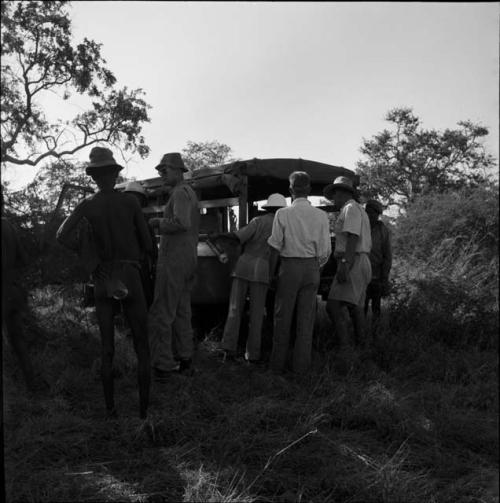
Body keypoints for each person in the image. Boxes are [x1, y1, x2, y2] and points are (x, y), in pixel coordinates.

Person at [57, 146, 153, 419]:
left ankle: (111, 412)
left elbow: (61, 236)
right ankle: (143, 413)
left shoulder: (88, 205)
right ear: (114, 174)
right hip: (131, 274)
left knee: (107, 347)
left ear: (93, 177)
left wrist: (90, 258)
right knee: (142, 346)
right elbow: (147, 244)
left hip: (103, 277)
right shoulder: (131, 203)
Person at [209, 193, 287, 364]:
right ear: (281, 209)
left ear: (268, 207)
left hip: (243, 267)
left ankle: (228, 349)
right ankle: (252, 355)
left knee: (235, 309)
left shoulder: (258, 221)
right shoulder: (283, 224)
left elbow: (238, 237)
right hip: (263, 270)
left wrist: (219, 235)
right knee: (257, 314)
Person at [267, 171, 331, 374]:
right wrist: (315, 266)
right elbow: (325, 251)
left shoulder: (282, 214)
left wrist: (271, 274)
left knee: (282, 317)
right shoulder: (321, 216)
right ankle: (301, 369)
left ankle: (276, 368)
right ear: (310, 190)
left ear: (290, 190)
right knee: (306, 320)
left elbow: (275, 247)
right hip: (312, 268)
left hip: (289, 267)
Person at [147, 152, 199, 380]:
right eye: (159, 170)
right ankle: (185, 359)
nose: (161, 174)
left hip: (174, 261)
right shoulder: (188, 193)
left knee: (162, 312)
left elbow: (182, 223)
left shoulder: (179, 193)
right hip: (187, 260)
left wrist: (157, 222)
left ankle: (163, 364)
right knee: (181, 312)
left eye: (165, 170)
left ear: (179, 171)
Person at [323, 176, 372, 349]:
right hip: (361, 260)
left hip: (353, 261)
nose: (333, 199)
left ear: (341, 192)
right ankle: (362, 345)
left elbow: (352, 237)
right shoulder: (358, 209)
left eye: (334, 195)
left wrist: (345, 264)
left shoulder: (350, 208)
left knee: (333, 306)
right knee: (356, 307)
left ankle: (346, 348)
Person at [2, 217, 38, 391]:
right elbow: (24, 258)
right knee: (18, 340)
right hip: (13, 291)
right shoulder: (9, 226)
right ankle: (32, 386)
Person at [123, 181, 158, 308]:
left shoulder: (120, 217)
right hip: (139, 265)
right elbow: (149, 245)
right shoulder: (140, 218)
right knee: (144, 297)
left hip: (123, 267)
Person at [364, 199, 392, 337]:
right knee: (360, 306)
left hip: (376, 273)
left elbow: (387, 254)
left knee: (376, 307)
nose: (369, 215)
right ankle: (360, 334)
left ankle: (375, 334)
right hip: (361, 272)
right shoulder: (361, 226)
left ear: (377, 214)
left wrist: (384, 276)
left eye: (372, 212)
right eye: (367, 211)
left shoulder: (382, 230)